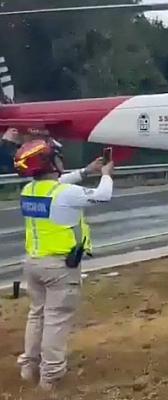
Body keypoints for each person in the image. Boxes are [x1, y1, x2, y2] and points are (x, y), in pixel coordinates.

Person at [14, 139, 113, 391]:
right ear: (49, 163)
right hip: (59, 267)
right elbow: (103, 196)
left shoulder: (29, 190)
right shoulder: (64, 194)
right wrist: (105, 175)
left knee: (37, 314)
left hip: (33, 263)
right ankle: (51, 377)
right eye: (56, 157)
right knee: (56, 320)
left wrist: (85, 172)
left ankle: (28, 367)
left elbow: (58, 186)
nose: (61, 160)